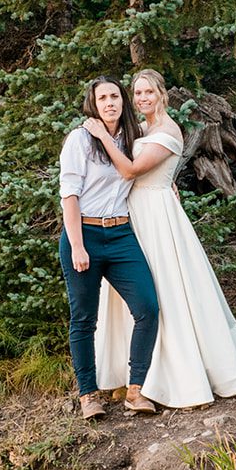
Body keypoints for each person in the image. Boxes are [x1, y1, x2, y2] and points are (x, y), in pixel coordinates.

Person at [87, 68, 236, 409]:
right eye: (137, 93)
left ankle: (174, 374)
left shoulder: (169, 130)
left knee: (165, 287)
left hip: (157, 216)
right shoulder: (142, 129)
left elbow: (131, 170)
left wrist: (102, 136)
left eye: (149, 92)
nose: (142, 98)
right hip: (131, 212)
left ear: (162, 94)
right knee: (129, 292)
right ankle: (128, 372)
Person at [59, 76, 161, 419]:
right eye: (102, 98)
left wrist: (169, 185)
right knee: (84, 319)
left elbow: (141, 171)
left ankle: (135, 390)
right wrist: (76, 246)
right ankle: (88, 395)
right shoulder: (80, 139)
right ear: (94, 103)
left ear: (123, 100)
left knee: (147, 306)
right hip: (84, 234)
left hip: (120, 236)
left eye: (115, 96)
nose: (109, 103)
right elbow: (69, 195)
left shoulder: (132, 137)